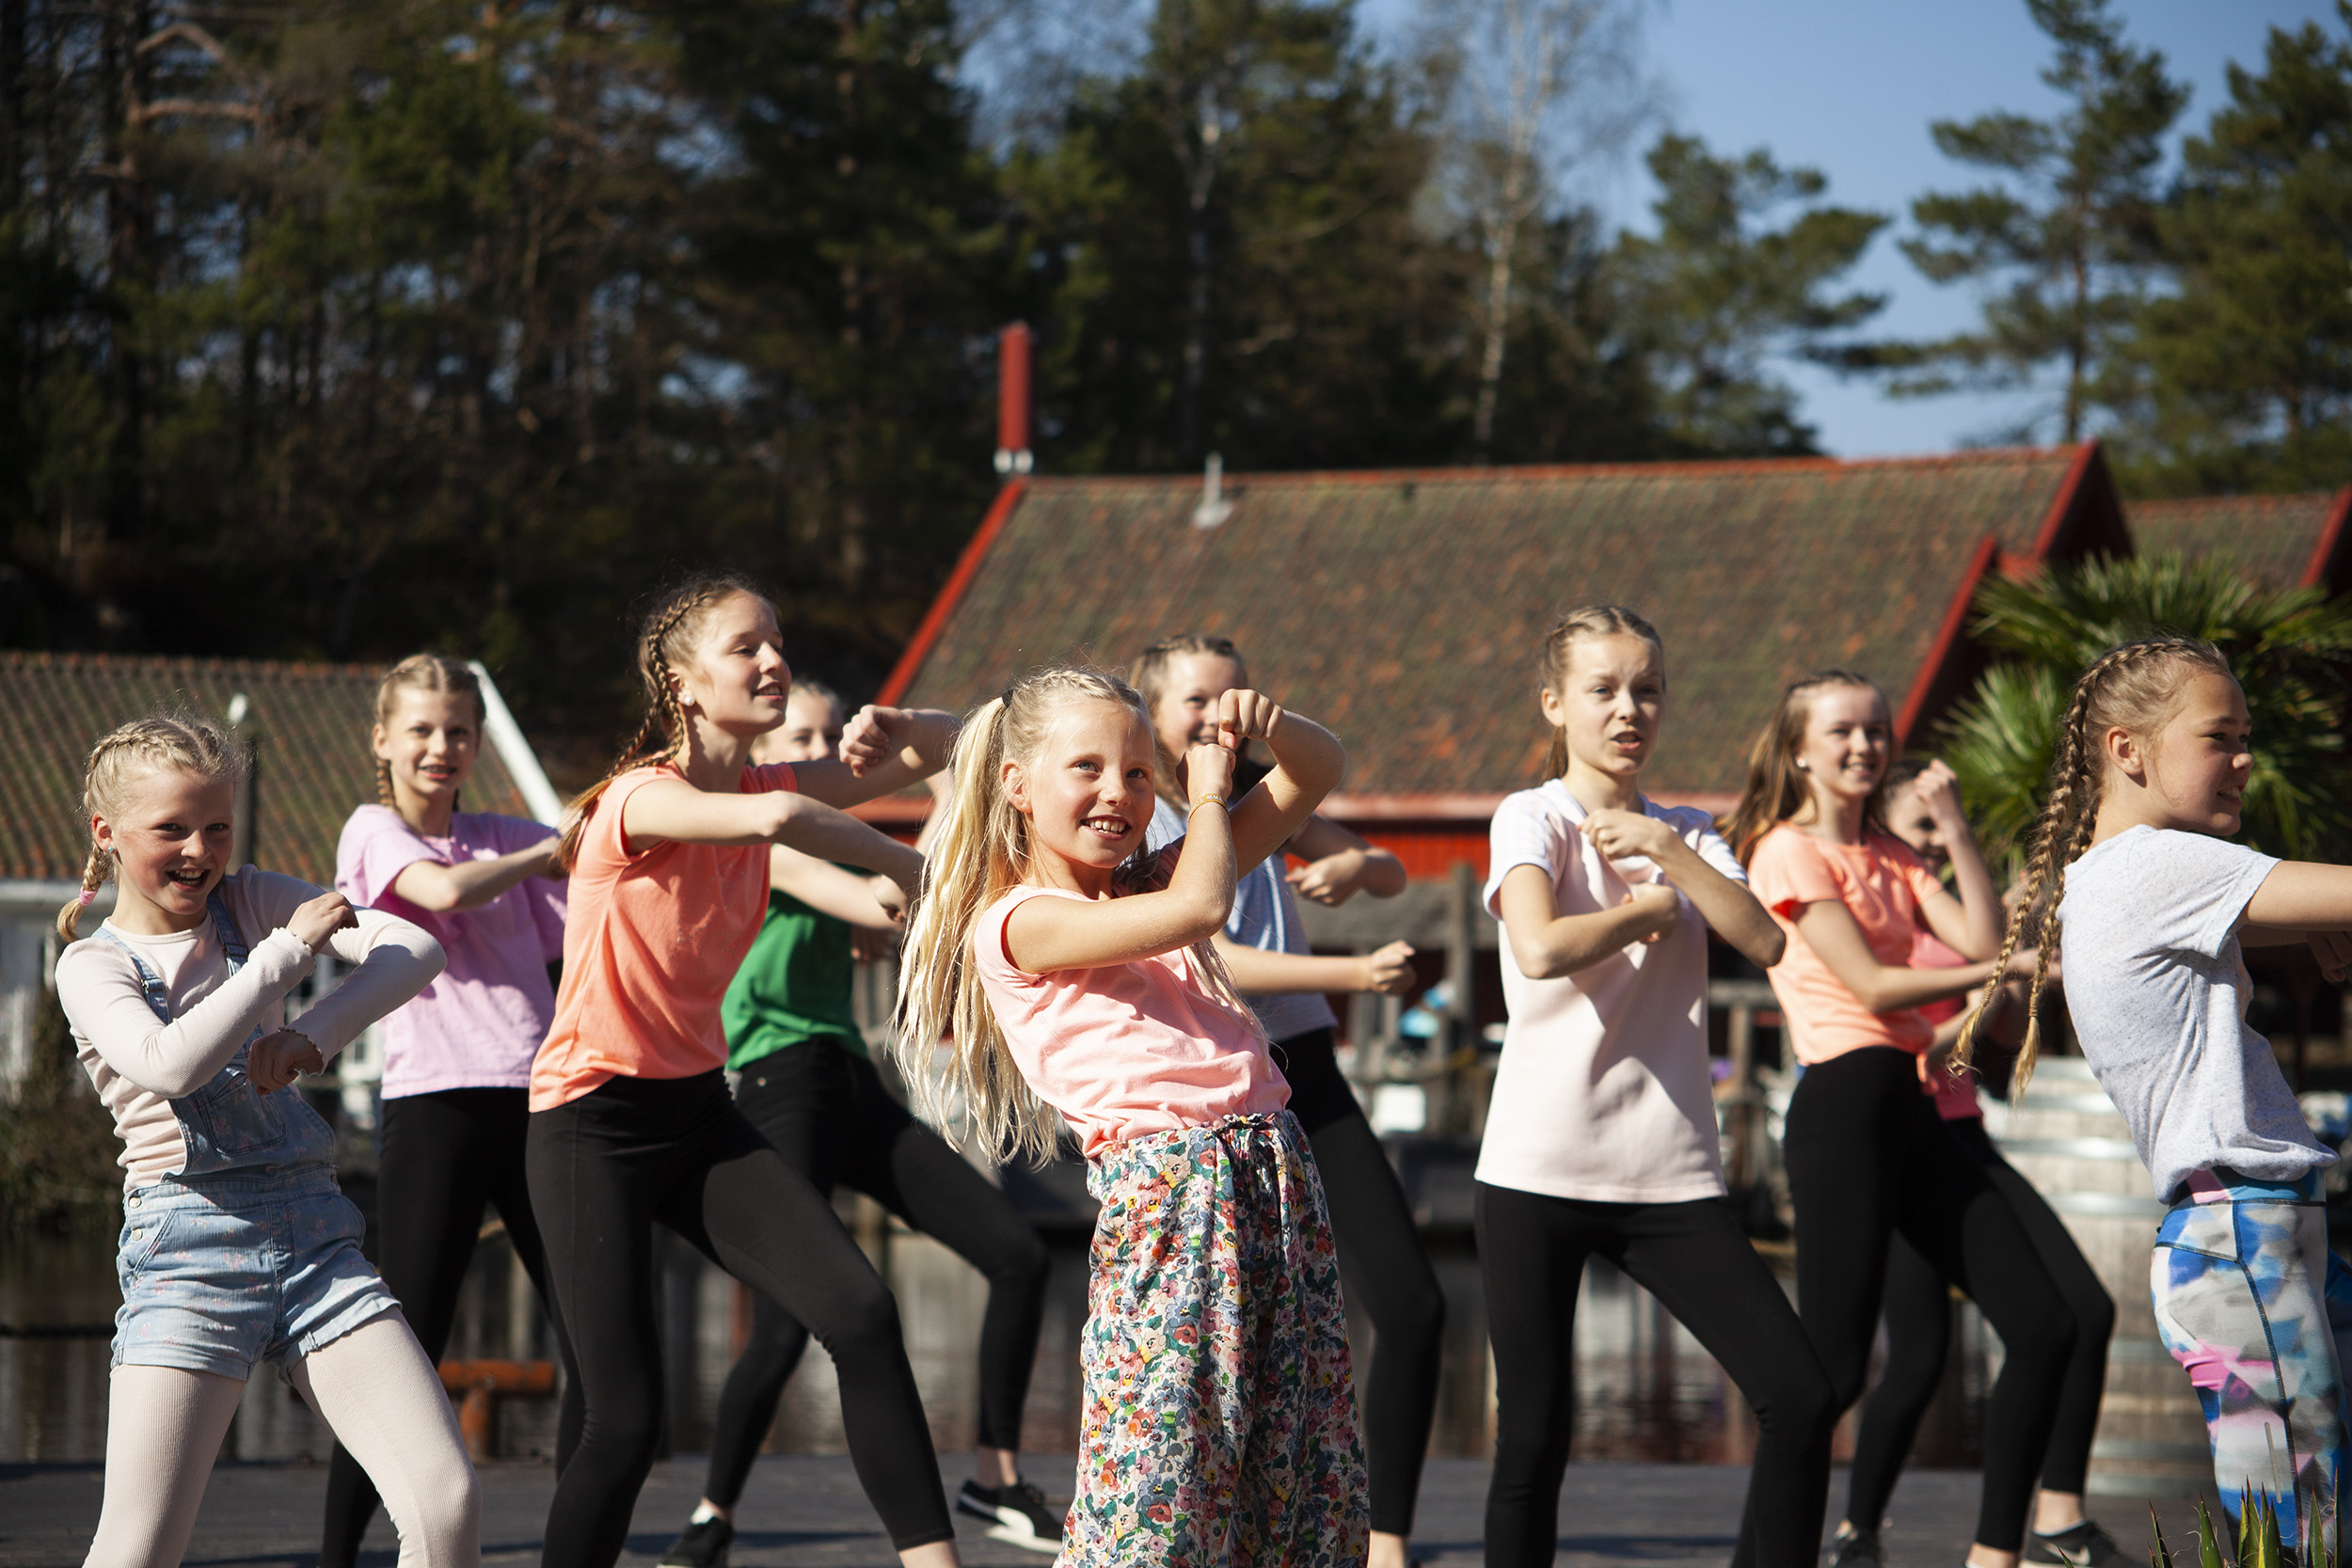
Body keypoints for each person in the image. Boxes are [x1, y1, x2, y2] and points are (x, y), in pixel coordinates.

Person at [524, 572, 966, 1568]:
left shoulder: (764, 785)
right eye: (744, 647)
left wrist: (913, 722)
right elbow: (779, 826)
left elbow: (960, 751)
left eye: (779, 641)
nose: (773, 660)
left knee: (859, 1310)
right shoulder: (638, 797)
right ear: (683, 683)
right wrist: (912, 871)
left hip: (697, 1113)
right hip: (590, 1121)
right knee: (624, 1422)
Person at [894, 667, 1367, 1567]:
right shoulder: (1017, 921)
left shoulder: (1144, 878)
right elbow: (1203, 906)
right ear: (1017, 786)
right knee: (1156, 1487)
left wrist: (1270, 721)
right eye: (1088, 768)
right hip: (1172, 1196)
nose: (1120, 792)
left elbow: (1318, 769)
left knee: (1299, 1475)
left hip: (1272, 1173)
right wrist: (1209, 795)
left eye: (1140, 773)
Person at [1957, 636, 2352, 1540]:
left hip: (2245, 1234)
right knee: (2302, 1528)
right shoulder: (2154, 865)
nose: (2246, 758)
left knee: (2302, 1517)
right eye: (2221, 736)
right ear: (2127, 749)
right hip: (2241, 1233)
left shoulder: (2118, 877)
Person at [55, 715, 472, 1568]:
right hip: (188, 1253)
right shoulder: (92, 966)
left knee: (445, 1502)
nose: (199, 851)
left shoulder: (246, 898)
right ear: (107, 832)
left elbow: (415, 946)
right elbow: (168, 1065)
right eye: (170, 828)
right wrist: (283, 960)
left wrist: (313, 1033)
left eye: (216, 826)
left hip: (317, 1237)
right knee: (139, 1547)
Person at [660, 679, 1058, 1568]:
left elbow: (904, 885)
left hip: (847, 1076)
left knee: (1019, 1254)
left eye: (830, 734)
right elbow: (888, 902)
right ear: (768, 756)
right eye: (803, 734)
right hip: (774, 1081)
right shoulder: (758, 837)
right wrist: (892, 886)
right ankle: (712, 1514)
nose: (824, 745)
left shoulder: (828, 845)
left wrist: (936, 768)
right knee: (783, 1324)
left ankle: (995, 1475)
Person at [1475, 606, 1836, 1568]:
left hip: (1669, 1179)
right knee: (1533, 1439)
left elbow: (1762, 940)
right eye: (1603, 688)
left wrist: (1668, 855)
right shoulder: (1531, 815)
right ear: (1556, 703)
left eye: (1646, 689)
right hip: (1533, 1173)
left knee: (1798, 1396)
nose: (1628, 708)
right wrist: (1646, 909)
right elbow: (1540, 946)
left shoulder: (1687, 830)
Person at [1724, 670, 2074, 1568]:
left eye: (1877, 730)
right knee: (1829, 1374)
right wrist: (2000, 970)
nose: (1865, 745)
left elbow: (1978, 937)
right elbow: (1875, 986)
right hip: (1843, 1102)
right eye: (1843, 730)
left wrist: (1953, 826)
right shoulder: (1785, 851)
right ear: (1799, 746)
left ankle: (1995, 1553)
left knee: (2045, 1321)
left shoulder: (1891, 851)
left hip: (1912, 1108)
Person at [1130, 633, 1438, 1568]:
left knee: (1415, 1306)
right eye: (1196, 702)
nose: (1218, 717)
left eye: (1235, 699)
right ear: (1151, 716)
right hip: (1217, 1090)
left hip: (1307, 1066)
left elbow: (1387, 872)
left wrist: (1360, 870)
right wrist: (1346, 966)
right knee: (1228, 1341)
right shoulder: (1142, 826)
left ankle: (1382, 1539)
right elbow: (1205, 955)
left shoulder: (1267, 792)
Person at [318, 654, 578, 1568]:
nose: (442, 745)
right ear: (383, 739)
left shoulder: (506, 832)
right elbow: (439, 893)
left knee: (589, 1333)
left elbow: (591, 917)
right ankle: (338, 1552)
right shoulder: (374, 830)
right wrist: (550, 849)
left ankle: (576, 1543)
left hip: (541, 1099)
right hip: (437, 1105)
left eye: (459, 730)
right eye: (423, 728)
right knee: (408, 1336)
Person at [1835, 759, 2119, 1568]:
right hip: (1905, 1151)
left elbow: (1992, 1039)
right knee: (1918, 1360)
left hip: (1965, 1135)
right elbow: (1911, 1041)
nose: (1933, 838)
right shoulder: (1882, 921)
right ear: (1885, 832)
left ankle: (2056, 1520)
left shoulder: (1964, 920)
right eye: (1920, 825)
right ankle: (1858, 1530)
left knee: (2085, 1313)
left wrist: (2020, 972)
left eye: (1940, 824)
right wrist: (1991, 978)